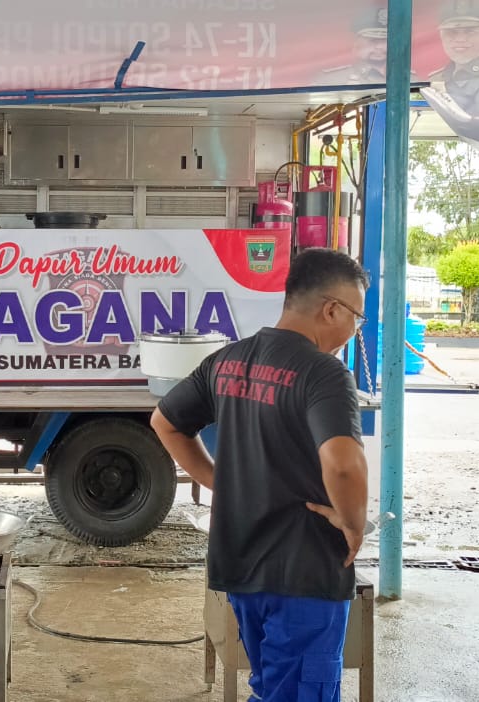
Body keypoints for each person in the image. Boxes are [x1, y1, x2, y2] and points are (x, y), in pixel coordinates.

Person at [151, 247, 370, 702]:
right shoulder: (323, 372)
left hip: (242, 562)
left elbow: (165, 422)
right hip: (304, 567)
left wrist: (219, 481)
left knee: (271, 686)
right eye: (358, 318)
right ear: (332, 309)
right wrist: (351, 522)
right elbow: (344, 463)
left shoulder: (229, 359)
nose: (355, 330)